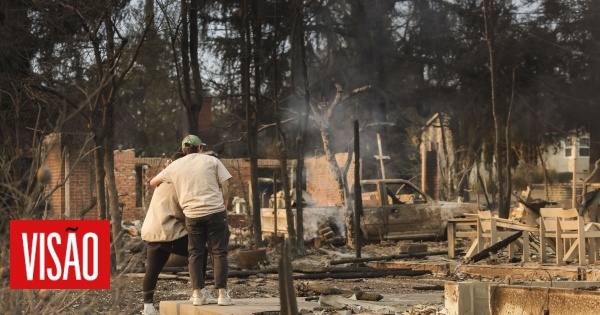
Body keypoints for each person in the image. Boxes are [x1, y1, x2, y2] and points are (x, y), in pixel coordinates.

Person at [150, 135, 233, 306]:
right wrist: (224, 206)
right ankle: (222, 295)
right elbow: (226, 185)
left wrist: (168, 174)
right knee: (219, 253)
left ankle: (197, 294)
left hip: (193, 215)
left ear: (183, 150)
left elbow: (153, 182)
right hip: (216, 212)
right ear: (200, 148)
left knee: (195, 253)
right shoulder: (212, 161)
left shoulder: (176, 166)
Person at [140, 152, 215, 315]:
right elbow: (184, 210)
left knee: (152, 270)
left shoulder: (163, 180)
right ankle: (199, 291)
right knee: (199, 251)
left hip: (153, 231)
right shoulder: (178, 182)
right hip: (168, 230)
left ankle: (147, 308)